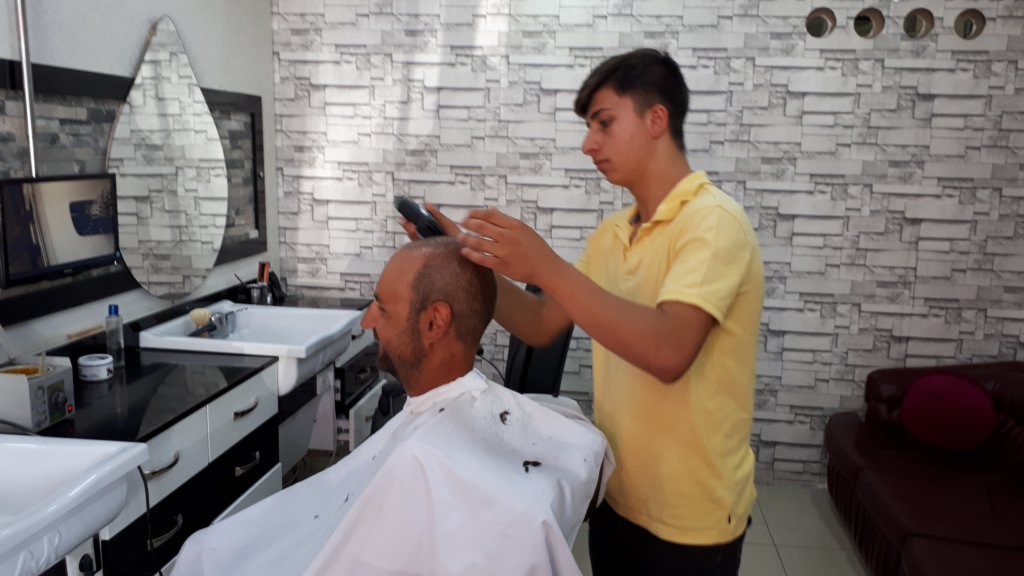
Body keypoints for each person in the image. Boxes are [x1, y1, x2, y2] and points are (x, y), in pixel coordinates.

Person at [413, 48, 764, 575]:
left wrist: (546, 265)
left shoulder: (713, 223)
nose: (588, 144)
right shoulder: (613, 234)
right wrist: (467, 259)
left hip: (692, 518)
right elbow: (540, 323)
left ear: (656, 119)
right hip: (616, 494)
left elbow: (669, 351)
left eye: (604, 123)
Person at [173, 237, 610, 576]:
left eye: (382, 308)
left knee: (204, 553)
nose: (367, 320)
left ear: (434, 322)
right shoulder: (465, 426)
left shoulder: (422, 462)